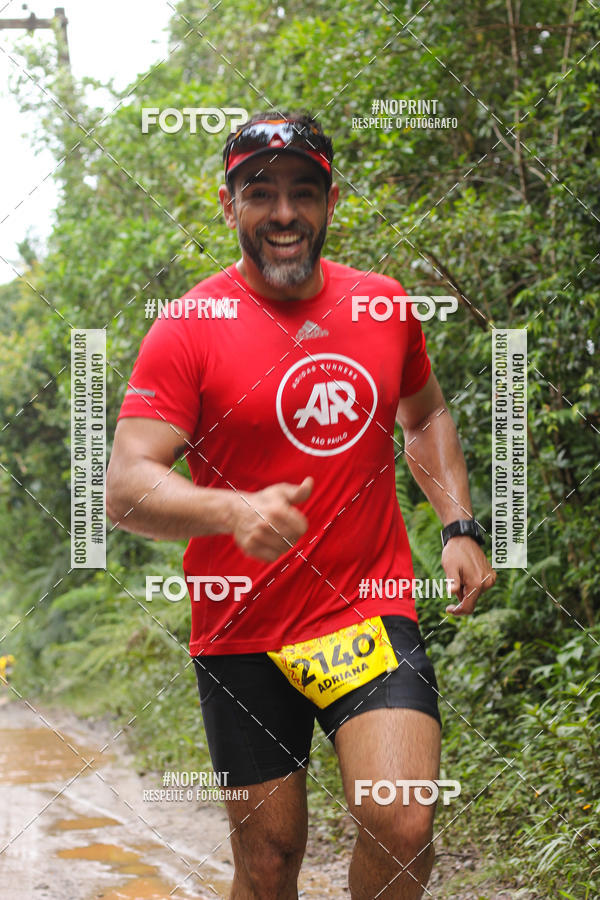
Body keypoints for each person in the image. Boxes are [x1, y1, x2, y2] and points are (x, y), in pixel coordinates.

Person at [106, 110, 496, 899]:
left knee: (402, 821)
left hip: (366, 608)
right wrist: (230, 512)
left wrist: (458, 524)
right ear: (229, 205)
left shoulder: (383, 306)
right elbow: (126, 486)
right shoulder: (188, 328)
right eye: (260, 193)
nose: (283, 213)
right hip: (240, 628)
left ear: (330, 201)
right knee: (268, 862)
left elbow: (424, 416)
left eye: (303, 192)